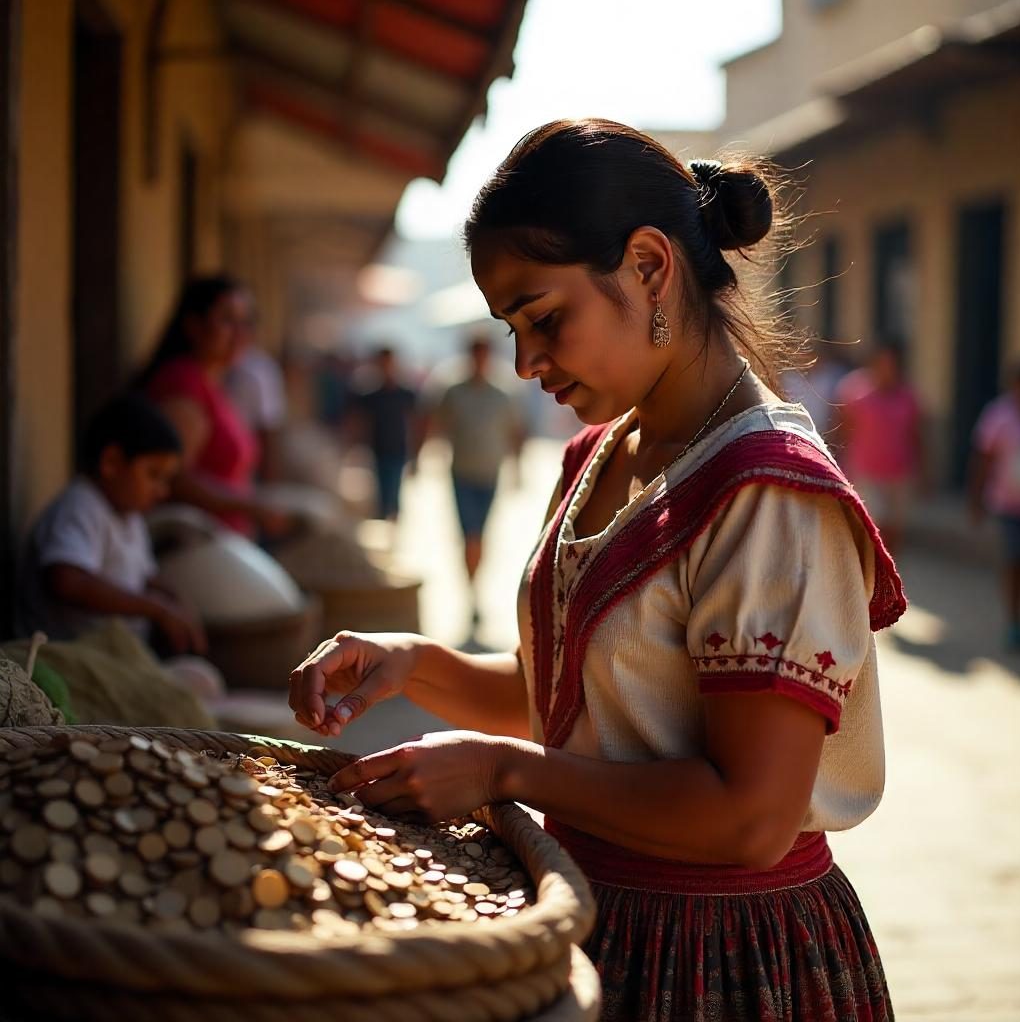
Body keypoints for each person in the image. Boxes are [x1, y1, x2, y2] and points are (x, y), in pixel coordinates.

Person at [288, 120, 904, 1022]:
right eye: (510, 329)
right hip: (592, 913)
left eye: (544, 319)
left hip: (721, 956)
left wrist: (504, 772)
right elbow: (577, 702)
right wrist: (414, 663)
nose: (524, 362)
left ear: (650, 266)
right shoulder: (600, 456)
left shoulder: (767, 493)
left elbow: (751, 818)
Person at [18, 394, 206, 658]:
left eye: (166, 480)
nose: (162, 491)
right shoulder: (81, 505)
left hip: (112, 656)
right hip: (67, 657)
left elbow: (143, 577)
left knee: (197, 675)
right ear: (112, 462)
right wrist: (155, 608)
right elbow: (67, 581)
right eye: (153, 475)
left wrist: (173, 600)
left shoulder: (130, 516)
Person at [136, 274, 291, 538]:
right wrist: (250, 506)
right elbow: (175, 479)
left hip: (223, 539)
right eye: (227, 320)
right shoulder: (182, 384)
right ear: (194, 325)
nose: (241, 334)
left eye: (247, 322)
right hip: (193, 546)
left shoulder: (214, 382)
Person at [419, 335, 523, 622]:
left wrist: (518, 467)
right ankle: (471, 589)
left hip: (489, 473)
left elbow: (515, 431)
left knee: (480, 536)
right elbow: (433, 423)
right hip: (462, 473)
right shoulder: (453, 392)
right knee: (469, 535)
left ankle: (475, 585)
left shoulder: (502, 394)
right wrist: (420, 456)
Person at [836, 343, 924, 556]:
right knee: (876, 525)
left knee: (894, 529)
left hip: (899, 473)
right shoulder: (854, 391)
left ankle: (890, 569)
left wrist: (923, 470)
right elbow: (842, 431)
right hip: (865, 473)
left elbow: (916, 435)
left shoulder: (908, 396)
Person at [969, 363, 1020, 649]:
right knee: (1014, 560)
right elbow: (983, 458)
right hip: (1008, 505)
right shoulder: (999, 416)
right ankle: (1013, 622)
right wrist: (976, 499)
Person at [224, 289, 288, 483]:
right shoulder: (200, 378)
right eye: (227, 321)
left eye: (245, 323)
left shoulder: (258, 370)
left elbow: (268, 432)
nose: (237, 332)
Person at [348, 347, 418, 521]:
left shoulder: (405, 394)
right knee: (382, 487)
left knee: (394, 485)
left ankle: (392, 517)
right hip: (379, 447)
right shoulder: (372, 396)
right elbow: (359, 420)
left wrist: (416, 448)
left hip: (398, 447)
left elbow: (416, 422)